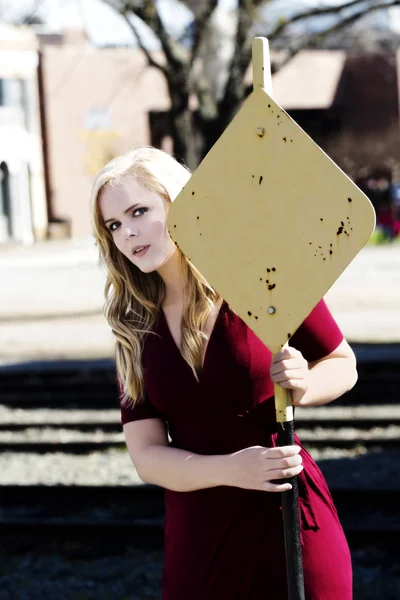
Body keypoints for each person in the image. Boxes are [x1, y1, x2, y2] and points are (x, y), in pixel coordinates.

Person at [90, 146, 357, 600]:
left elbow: (342, 363)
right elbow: (147, 457)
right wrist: (232, 469)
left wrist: (305, 386)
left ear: (179, 202)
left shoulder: (262, 277)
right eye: (114, 225)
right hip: (201, 537)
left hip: (290, 518)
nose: (128, 233)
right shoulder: (133, 326)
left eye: (139, 211)